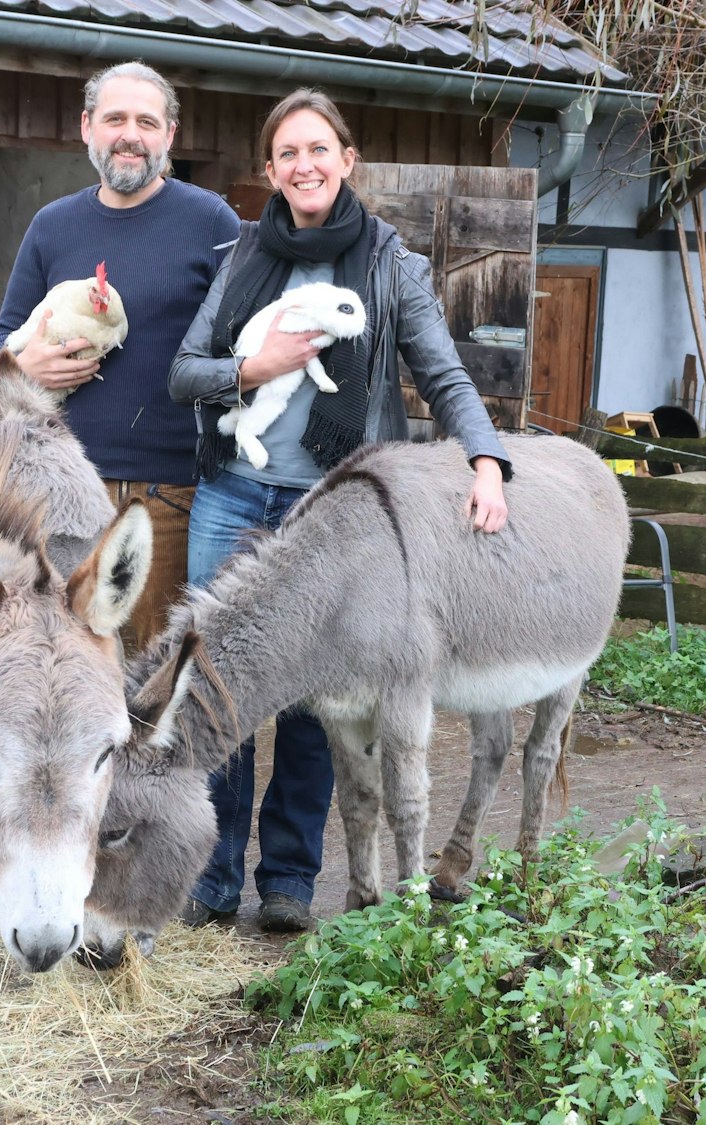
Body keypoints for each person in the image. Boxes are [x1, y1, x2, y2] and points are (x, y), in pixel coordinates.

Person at [167, 88, 512, 933]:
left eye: (318, 149)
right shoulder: (244, 253)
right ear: (270, 170)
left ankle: (288, 874)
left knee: (328, 696)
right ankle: (212, 876)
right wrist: (255, 369)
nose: (304, 165)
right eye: (287, 153)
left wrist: (488, 458)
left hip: (342, 508)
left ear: (347, 159)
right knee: (223, 682)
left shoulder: (392, 263)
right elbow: (184, 373)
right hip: (233, 491)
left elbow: (443, 374)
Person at [0, 61, 240, 650]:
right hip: (66, 489)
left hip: (176, 494)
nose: (131, 134)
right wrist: (19, 368)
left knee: (159, 666)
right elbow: (0, 335)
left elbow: (242, 340)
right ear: (87, 128)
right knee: (70, 656)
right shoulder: (53, 226)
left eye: (147, 121)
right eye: (115, 118)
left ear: (170, 135)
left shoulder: (210, 221)